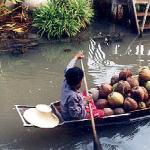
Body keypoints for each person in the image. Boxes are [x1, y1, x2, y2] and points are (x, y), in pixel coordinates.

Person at [60, 51, 86, 121]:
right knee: (103, 113)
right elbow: (75, 115)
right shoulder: (73, 96)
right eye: (82, 80)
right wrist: (85, 102)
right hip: (70, 117)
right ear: (79, 82)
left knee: (88, 93)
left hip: (68, 106)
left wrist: (76, 57)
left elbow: (69, 67)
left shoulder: (66, 80)